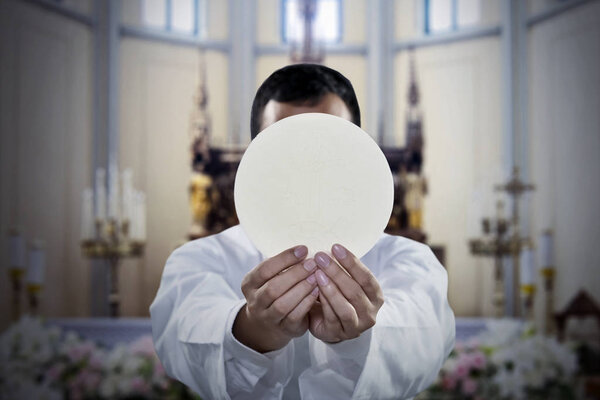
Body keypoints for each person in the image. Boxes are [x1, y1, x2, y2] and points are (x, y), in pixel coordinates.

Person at [150, 64, 455, 400]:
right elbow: (181, 336)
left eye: (329, 147)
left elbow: (425, 338)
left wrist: (360, 336)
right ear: (255, 156)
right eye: (286, 149)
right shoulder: (196, 259)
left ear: (359, 152)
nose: (309, 169)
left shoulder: (411, 260)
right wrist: (252, 331)